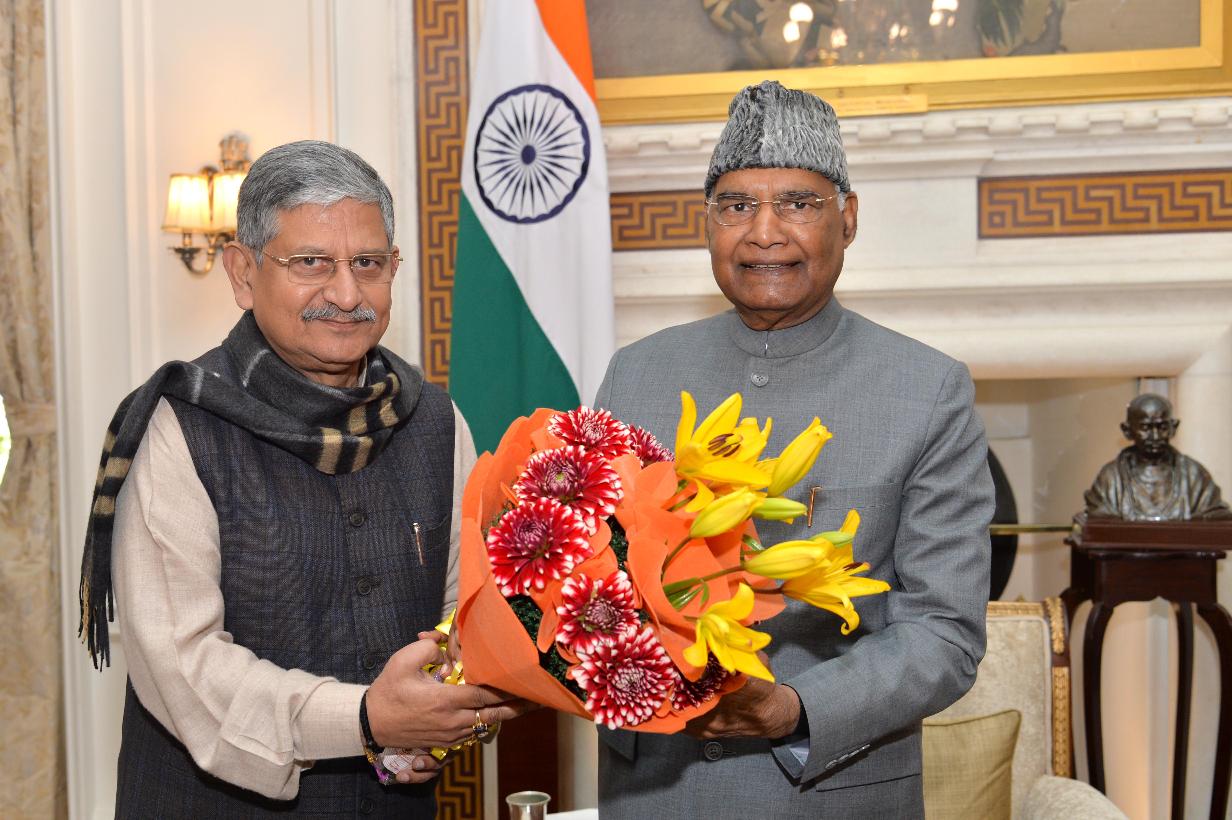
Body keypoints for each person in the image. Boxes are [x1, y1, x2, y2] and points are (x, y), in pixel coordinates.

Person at [77, 140, 528, 818]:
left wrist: (447, 711)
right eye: (311, 263)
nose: (346, 294)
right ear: (242, 273)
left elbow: (467, 610)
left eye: (368, 264)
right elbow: (184, 670)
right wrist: (367, 719)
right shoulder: (180, 425)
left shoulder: (436, 420)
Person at [592, 81, 995, 818]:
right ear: (706, 222)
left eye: (798, 203)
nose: (764, 232)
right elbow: (593, 575)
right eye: (736, 205)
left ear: (848, 218)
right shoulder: (636, 373)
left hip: (830, 795)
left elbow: (945, 633)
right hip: (655, 792)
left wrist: (794, 707)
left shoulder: (928, 389)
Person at [1082, 393, 1231, 521]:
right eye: (1145, 427)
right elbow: (1099, 515)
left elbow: (1215, 515)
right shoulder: (1110, 478)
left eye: (1162, 427)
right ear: (1127, 430)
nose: (1155, 436)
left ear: (1173, 428)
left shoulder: (1195, 476)